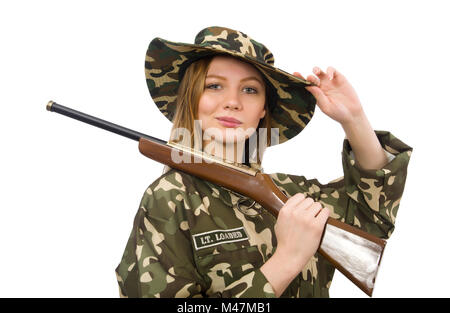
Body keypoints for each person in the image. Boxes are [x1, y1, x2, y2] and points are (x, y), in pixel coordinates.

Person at [115, 26, 412, 298]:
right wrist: (286, 261)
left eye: (249, 89)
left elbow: (371, 217)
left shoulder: (290, 194)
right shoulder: (170, 197)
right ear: (191, 98)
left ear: (262, 110)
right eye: (214, 86)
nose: (232, 101)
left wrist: (354, 119)